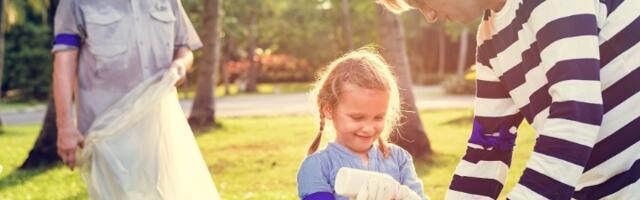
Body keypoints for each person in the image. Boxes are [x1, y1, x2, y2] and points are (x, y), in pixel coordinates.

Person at [380, 0, 640, 199]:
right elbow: (488, 148)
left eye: (422, 2)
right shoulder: (489, 41)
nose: (430, 16)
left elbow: (577, 112)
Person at [52, 0, 201, 170]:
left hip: (160, 128)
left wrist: (181, 63)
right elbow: (64, 61)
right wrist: (65, 127)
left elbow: (184, 45)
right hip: (107, 137)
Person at [297, 49, 427, 200]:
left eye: (378, 117)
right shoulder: (317, 166)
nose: (369, 128)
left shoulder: (399, 159)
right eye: (357, 118)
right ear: (328, 109)